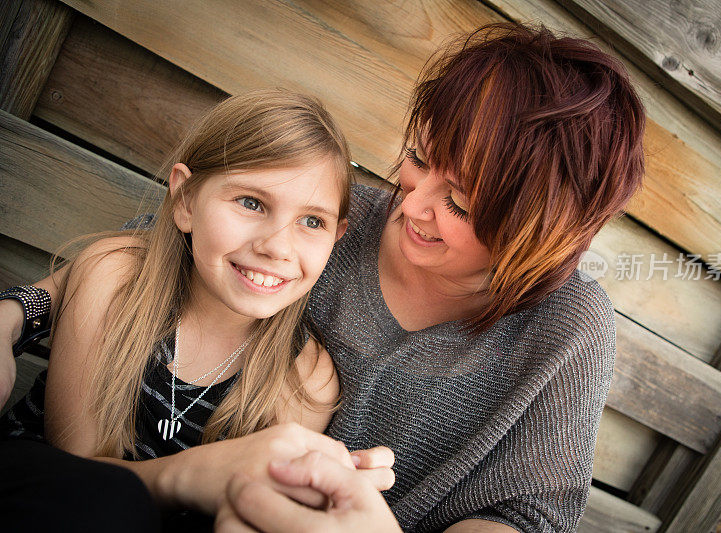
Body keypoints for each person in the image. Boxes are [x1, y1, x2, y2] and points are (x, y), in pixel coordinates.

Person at [1, 22, 646, 532]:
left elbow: (525, 516)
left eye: (463, 206)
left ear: (537, 233)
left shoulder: (565, 327)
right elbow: (150, 261)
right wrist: (15, 314)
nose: (412, 205)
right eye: (420, 159)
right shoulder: (334, 216)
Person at [0, 89, 393, 528]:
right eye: (250, 202)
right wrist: (200, 475)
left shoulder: (305, 381)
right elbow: (75, 482)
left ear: (336, 236)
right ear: (186, 200)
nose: (277, 247)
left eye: (311, 221)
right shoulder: (114, 278)